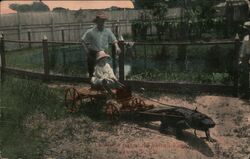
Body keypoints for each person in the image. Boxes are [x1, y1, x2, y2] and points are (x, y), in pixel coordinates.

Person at [81, 11, 121, 77]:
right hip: (93, 54)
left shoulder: (108, 31)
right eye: (100, 21)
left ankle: (107, 85)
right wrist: (87, 51)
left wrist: (117, 47)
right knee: (93, 74)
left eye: (103, 21)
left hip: (104, 54)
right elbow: (82, 40)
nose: (101, 23)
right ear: (96, 22)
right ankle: (93, 85)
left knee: (106, 72)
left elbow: (114, 40)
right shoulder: (91, 31)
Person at [238, 21, 250, 99]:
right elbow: (243, 50)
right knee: (245, 76)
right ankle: (246, 93)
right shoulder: (246, 38)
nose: (247, 30)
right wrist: (241, 59)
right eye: (247, 29)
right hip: (247, 57)